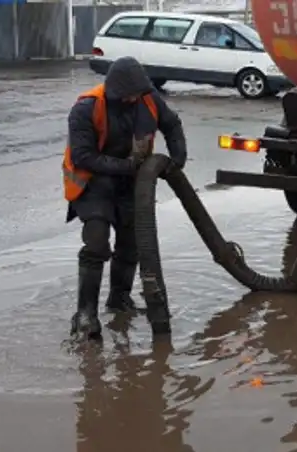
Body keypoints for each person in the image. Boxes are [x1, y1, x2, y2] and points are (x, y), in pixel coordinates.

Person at [63, 56, 187, 340]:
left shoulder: (148, 99)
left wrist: (177, 160)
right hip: (94, 182)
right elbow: (83, 156)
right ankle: (85, 314)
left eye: (137, 94)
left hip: (131, 182)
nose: (133, 99)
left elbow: (172, 125)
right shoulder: (86, 108)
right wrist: (126, 166)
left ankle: (119, 299)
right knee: (96, 242)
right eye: (128, 95)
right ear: (115, 91)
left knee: (131, 243)